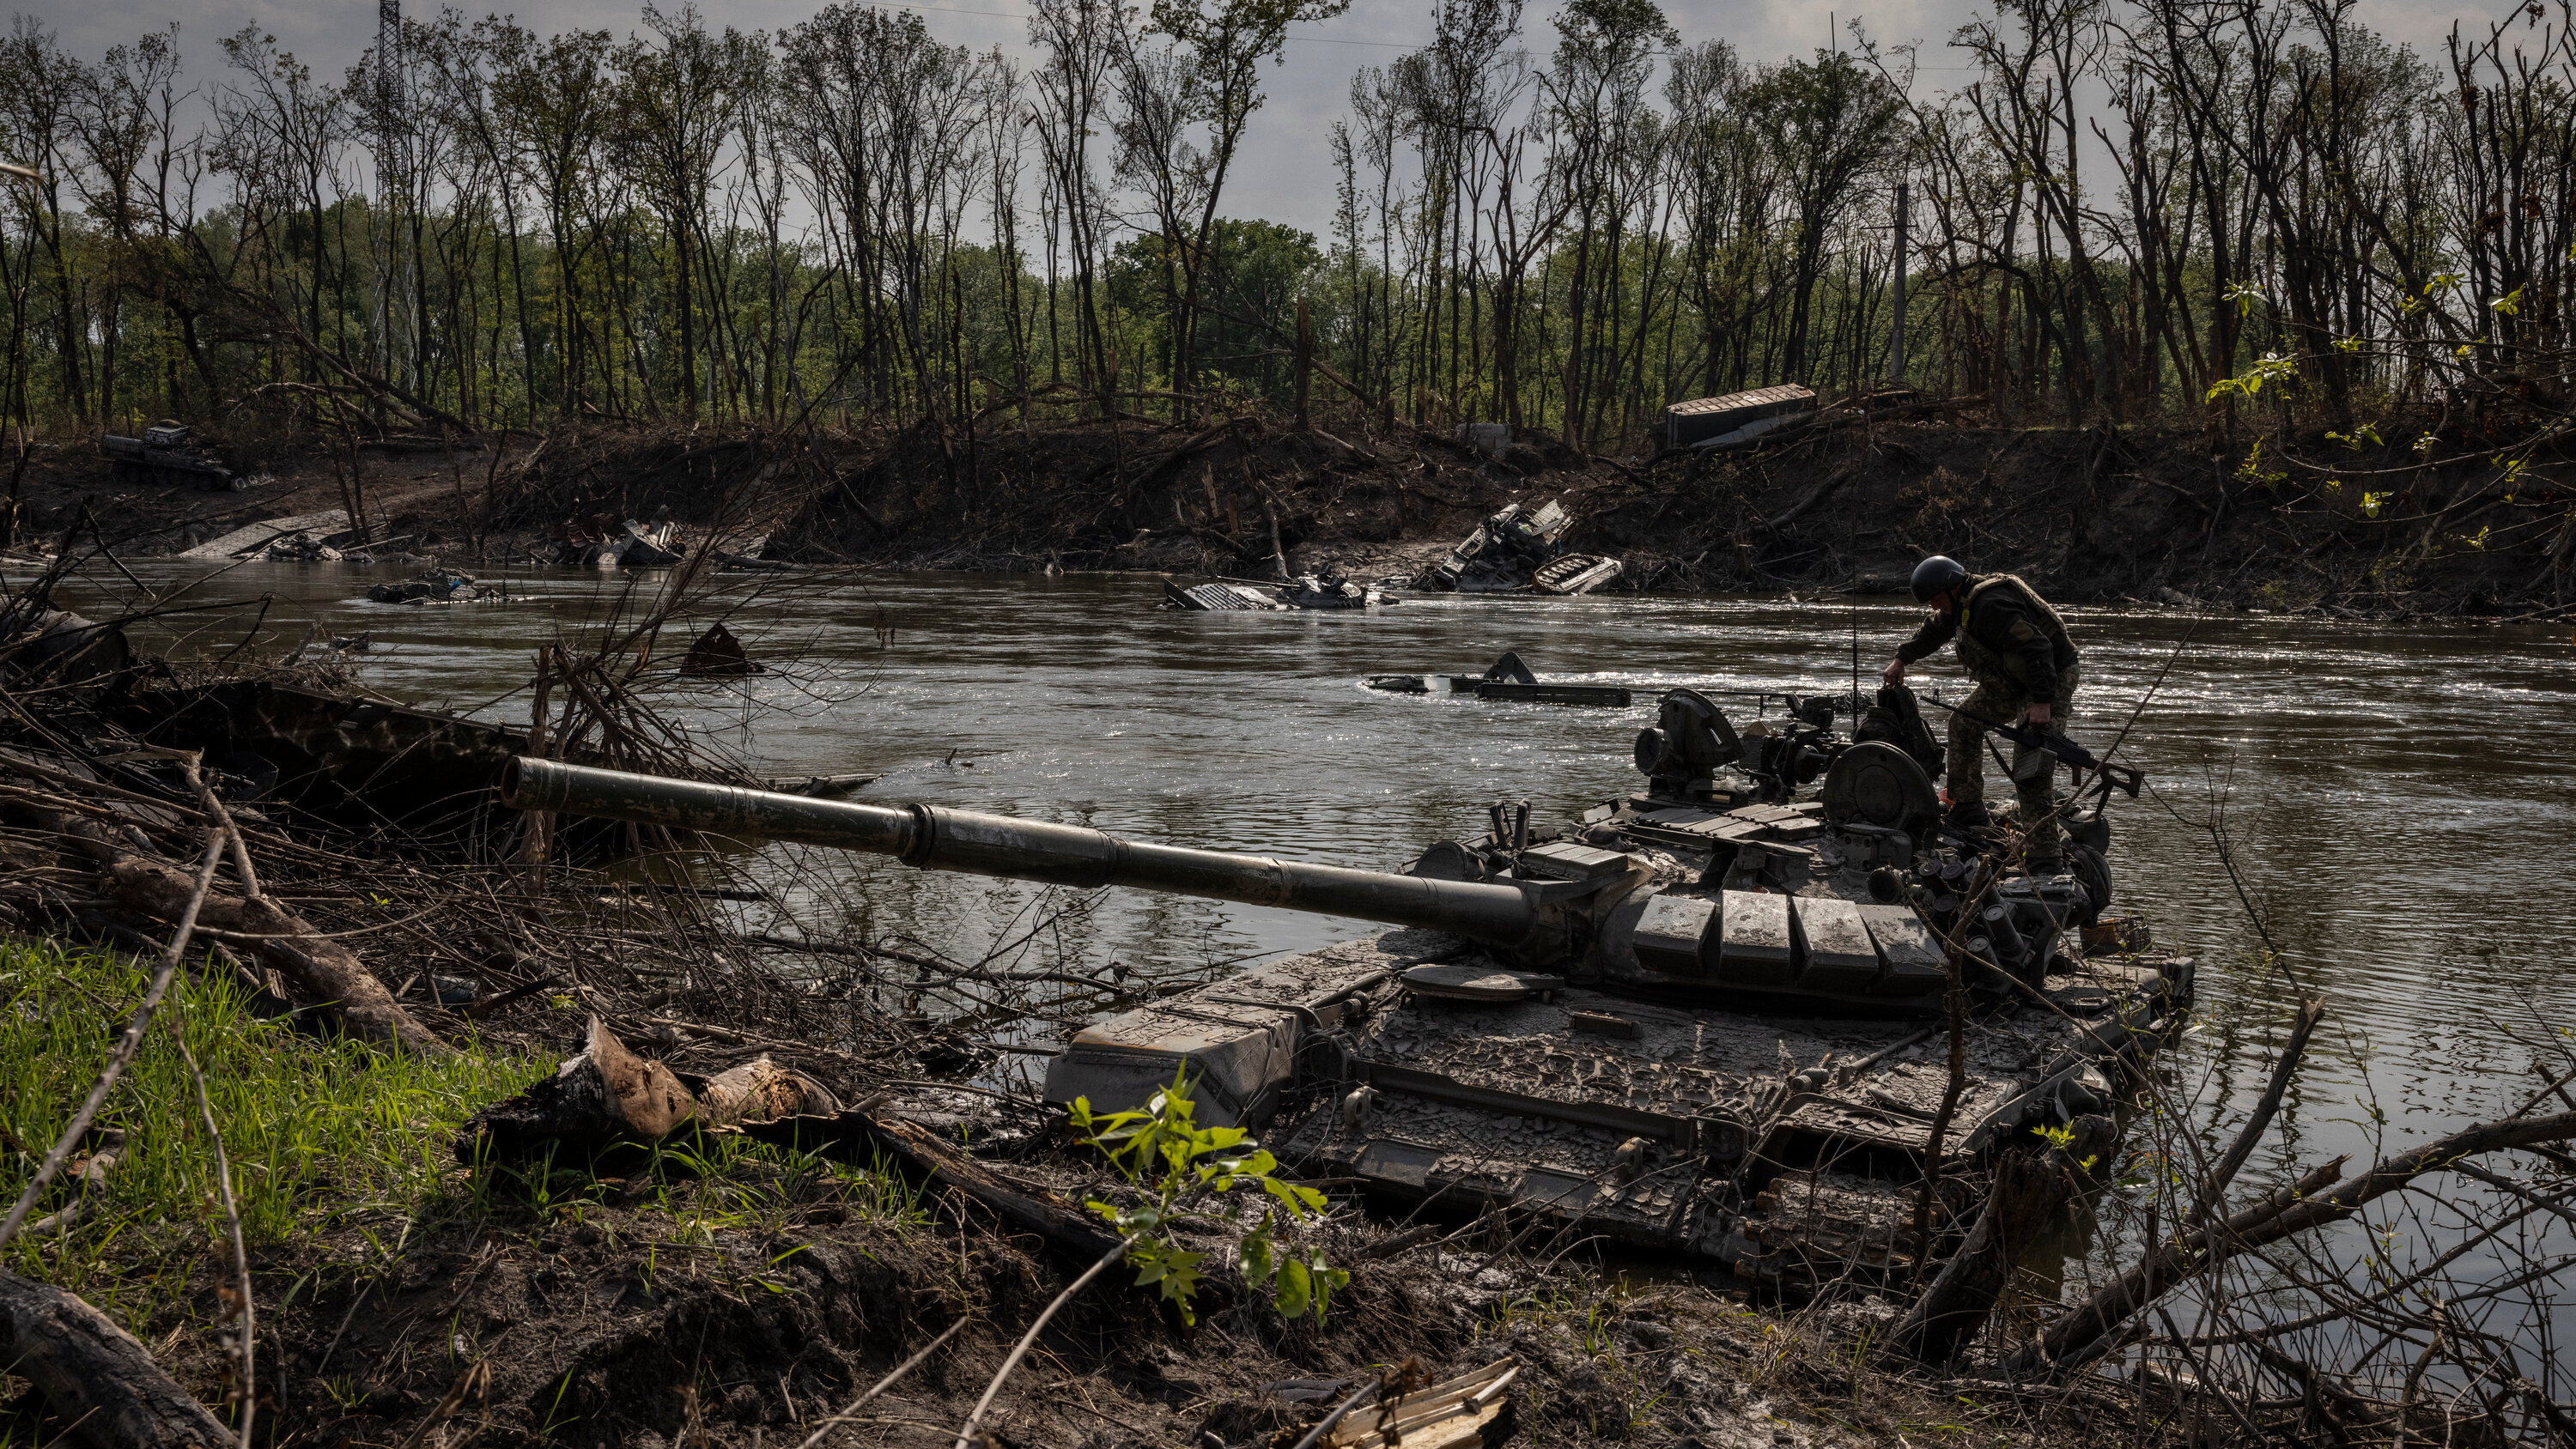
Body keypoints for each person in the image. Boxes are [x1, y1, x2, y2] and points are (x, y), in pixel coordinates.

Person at [1880, 555, 2080, 866]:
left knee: (2030, 766)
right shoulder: (1961, 605)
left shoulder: (1991, 606)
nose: (1934, 606)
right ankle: (1968, 805)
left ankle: (2045, 855)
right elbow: (1934, 631)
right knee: (1964, 723)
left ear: (1953, 586)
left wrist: (2042, 702)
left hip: (2048, 678)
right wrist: (1902, 658)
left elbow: (2040, 649)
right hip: (2012, 680)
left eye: (1935, 599)